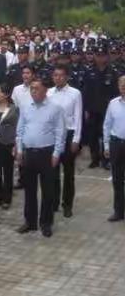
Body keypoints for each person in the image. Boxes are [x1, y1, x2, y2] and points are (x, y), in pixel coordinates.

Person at [16, 78, 66, 238]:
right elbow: (20, 129)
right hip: (29, 153)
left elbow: (60, 132)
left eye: (36, 89)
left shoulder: (55, 108)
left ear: (45, 90)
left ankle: (46, 223)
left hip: (47, 154)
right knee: (29, 190)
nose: (33, 91)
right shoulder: (25, 107)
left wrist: (57, 153)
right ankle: (30, 222)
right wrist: (19, 149)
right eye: (31, 89)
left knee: (48, 191)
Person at [47, 65, 83, 217]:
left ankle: (67, 204)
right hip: (53, 135)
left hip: (68, 134)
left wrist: (76, 138)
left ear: (67, 77)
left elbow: (78, 117)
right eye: (55, 75)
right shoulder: (49, 92)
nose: (58, 78)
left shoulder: (75, 94)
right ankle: (53, 202)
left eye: (61, 75)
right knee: (52, 172)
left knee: (68, 173)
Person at [83, 46, 119, 169]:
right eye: (97, 55)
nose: (99, 58)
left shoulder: (112, 72)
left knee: (105, 135)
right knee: (92, 136)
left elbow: (116, 93)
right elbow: (86, 92)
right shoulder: (89, 71)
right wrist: (86, 109)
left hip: (107, 110)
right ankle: (95, 159)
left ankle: (106, 159)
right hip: (93, 109)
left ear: (106, 57)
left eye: (102, 55)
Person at [0, 83, 19, 210]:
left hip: (8, 143)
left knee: (7, 172)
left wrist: (16, 144)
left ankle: (7, 198)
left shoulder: (14, 109)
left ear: (6, 94)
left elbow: (18, 127)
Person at [103, 75, 125, 222]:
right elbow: (107, 125)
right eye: (121, 84)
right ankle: (118, 211)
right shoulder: (113, 103)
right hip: (116, 144)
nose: (124, 86)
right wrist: (106, 145)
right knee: (117, 180)